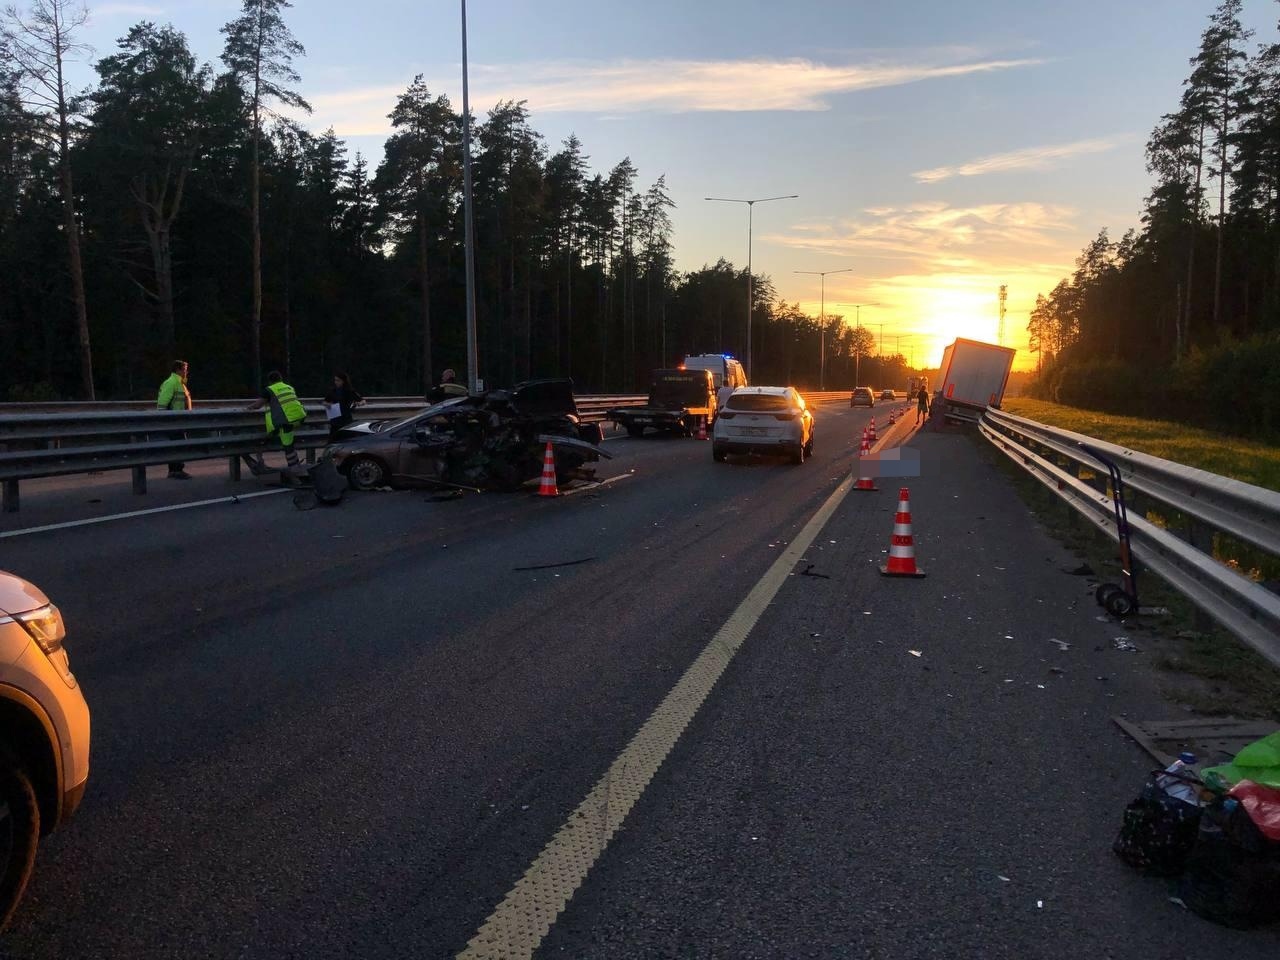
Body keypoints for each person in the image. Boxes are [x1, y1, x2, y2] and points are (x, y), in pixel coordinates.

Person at [246, 371, 308, 474]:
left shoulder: (269, 390)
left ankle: (294, 468)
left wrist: (248, 408)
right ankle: (295, 465)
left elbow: (258, 405)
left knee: (287, 444)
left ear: (270, 381)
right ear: (281, 379)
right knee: (286, 438)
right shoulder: (289, 387)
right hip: (300, 417)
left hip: (287, 420)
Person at [156, 360, 192, 479]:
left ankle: (175, 470)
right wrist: (166, 419)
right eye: (184, 369)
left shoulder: (179, 383)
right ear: (178, 370)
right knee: (177, 445)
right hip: (174, 420)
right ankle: (175, 471)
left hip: (179, 420)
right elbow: (162, 404)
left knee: (178, 445)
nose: (186, 372)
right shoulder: (171, 383)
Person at [323, 371, 364, 438]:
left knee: (346, 438)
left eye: (338, 380)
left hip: (346, 418)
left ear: (343, 381)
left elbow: (362, 400)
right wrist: (328, 405)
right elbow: (325, 401)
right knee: (333, 438)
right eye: (335, 380)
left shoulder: (349, 391)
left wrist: (359, 403)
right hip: (335, 418)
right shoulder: (333, 390)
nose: (336, 382)